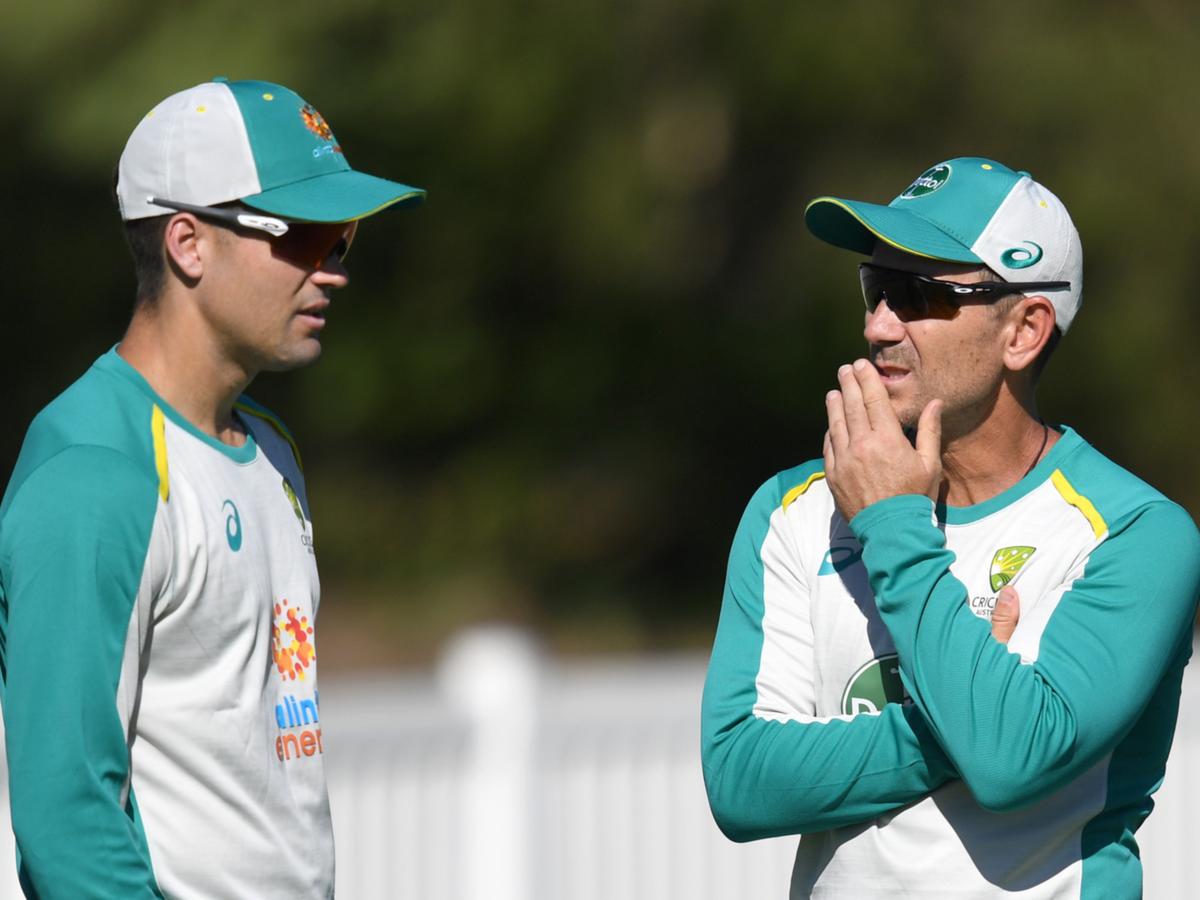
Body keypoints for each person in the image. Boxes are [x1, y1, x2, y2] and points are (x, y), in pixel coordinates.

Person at [701, 157, 1200, 898]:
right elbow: (741, 782)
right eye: (874, 288)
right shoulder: (791, 511)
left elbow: (1013, 761)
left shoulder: (1137, 534)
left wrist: (892, 523)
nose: (876, 325)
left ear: (1024, 331)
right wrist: (955, 727)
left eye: (917, 294)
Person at [0, 77, 424, 898]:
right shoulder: (93, 473)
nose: (331, 269)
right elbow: (67, 824)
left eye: (342, 241)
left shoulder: (271, 449)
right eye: (301, 235)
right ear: (188, 245)